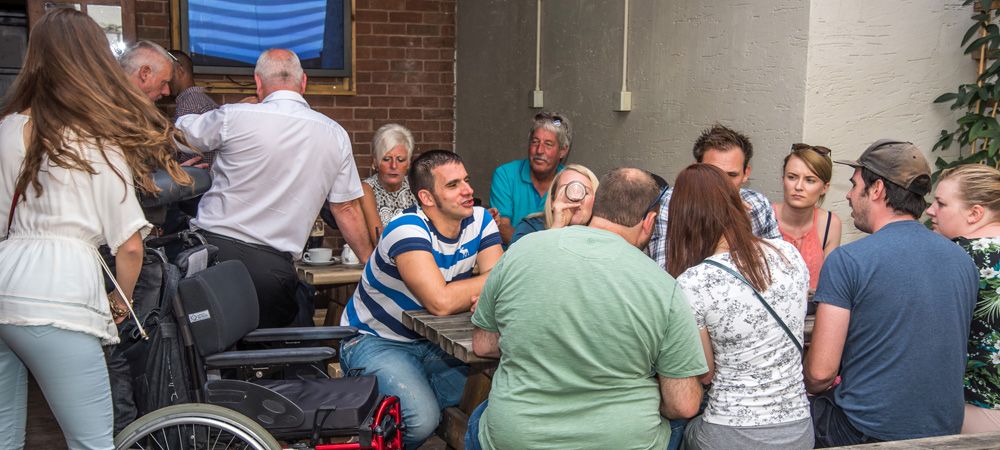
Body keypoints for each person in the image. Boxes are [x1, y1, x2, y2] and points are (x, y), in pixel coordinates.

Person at [0, 8, 191, 449]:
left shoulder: (8, 128)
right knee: (93, 442)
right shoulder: (98, 139)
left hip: (6, 285)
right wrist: (119, 304)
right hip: (62, 296)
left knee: (7, 436)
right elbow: (128, 246)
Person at [466, 168, 706, 450]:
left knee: (481, 414)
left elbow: (483, 344)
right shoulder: (665, 287)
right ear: (650, 221)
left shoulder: (521, 250)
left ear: (595, 205)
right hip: (621, 440)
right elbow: (684, 404)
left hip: (519, 437)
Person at [175, 48, 373, 328]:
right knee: (267, 354)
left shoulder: (234, 116)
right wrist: (369, 260)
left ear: (258, 83)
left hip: (214, 254)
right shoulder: (334, 134)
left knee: (208, 352)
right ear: (303, 82)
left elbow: (181, 135)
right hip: (272, 271)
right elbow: (346, 208)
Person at [804, 139, 979, 446]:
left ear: (878, 190)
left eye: (854, 184)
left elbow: (820, 373)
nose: (847, 195)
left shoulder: (849, 261)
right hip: (944, 430)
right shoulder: (963, 261)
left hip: (864, 429)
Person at [339, 150, 503, 449]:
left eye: (466, 180)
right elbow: (440, 302)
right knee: (421, 420)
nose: (468, 190)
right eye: (453, 185)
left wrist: (489, 283)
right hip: (374, 340)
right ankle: (379, 429)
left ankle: (387, 415)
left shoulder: (479, 219)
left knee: (493, 391)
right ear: (427, 198)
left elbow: (499, 285)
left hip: (434, 343)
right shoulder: (406, 229)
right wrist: (491, 280)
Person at [668, 164, 812, 450]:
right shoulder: (789, 255)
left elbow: (705, 372)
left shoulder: (694, 282)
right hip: (798, 431)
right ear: (736, 205)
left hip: (729, 433)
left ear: (684, 219)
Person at [925, 164, 1000, 434]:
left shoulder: (955, 256)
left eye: (941, 203)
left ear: (975, 213)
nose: (930, 210)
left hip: (976, 406)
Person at [648, 124, 780, 270]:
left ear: (746, 173)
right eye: (713, 174)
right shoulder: (671, 204)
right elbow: (666, 274)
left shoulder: (758, 204)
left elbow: (780, 266)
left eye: (732, 175)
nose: (723, 184)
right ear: (696, 170)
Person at [489, 111, 569, 245]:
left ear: (563, 151)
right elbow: (502, 227)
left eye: (548, 144)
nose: (539, 150)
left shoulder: (569, 181)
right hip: (512, 259)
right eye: (535, 142)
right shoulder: (505, 175)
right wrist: (536, 253)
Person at [773, 143, 842, 291]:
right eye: (792, 177)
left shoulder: (830, 223)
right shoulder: (764, 216)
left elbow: (829, 283)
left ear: (824, 187)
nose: (798, 186)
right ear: (782, 179)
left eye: (810, 180)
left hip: (812, 311)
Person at [509, 163, 599, 245]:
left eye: (584, 191)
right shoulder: (530, 228)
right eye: (566, 189)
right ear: (553, 200)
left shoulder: (602, 238)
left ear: (596, 200)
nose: (575, 198)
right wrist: (555, 229)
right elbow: (516, 261)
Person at [359, 123, 417, 246]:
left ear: (408, 163)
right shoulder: (366, 189)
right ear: (375, 162)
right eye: (386, 159)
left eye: (400, 160)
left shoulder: (416, 186)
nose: (394, 166)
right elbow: (379, 240)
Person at [167, 49, 219, 166]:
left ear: (179, 70)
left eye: (168, 73)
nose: (166, 80)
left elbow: (190, 156)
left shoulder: (190, 104)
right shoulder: (199, 99)